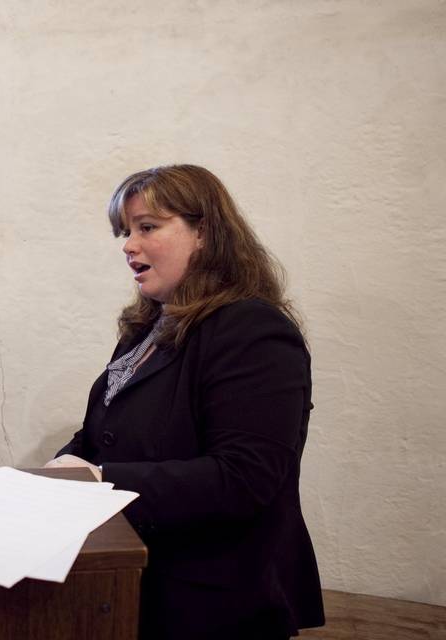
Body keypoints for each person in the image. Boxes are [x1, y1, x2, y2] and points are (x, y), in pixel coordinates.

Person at [45, 165, 324, 638]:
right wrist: (68, 460)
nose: (129, 245)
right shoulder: (151, 327)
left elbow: (244, 476)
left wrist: (99, 479)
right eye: (126, 231)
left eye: (147, 227)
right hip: (139, 572)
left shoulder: (252, 329)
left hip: (213, 594)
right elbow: (107, 428)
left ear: (205, 233)